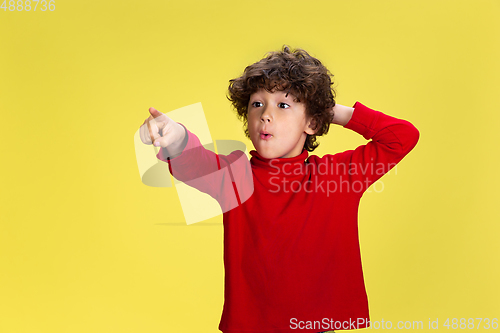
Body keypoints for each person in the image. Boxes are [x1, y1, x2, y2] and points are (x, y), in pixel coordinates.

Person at [139, 45, 420, 333]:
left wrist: (327, 111)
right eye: (257, 104)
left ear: (311, 122)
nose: (266, 115)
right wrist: (176, 136)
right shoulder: (234, 177)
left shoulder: (337, 176)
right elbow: (194, 159)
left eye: (283, 105)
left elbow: (401, 137)